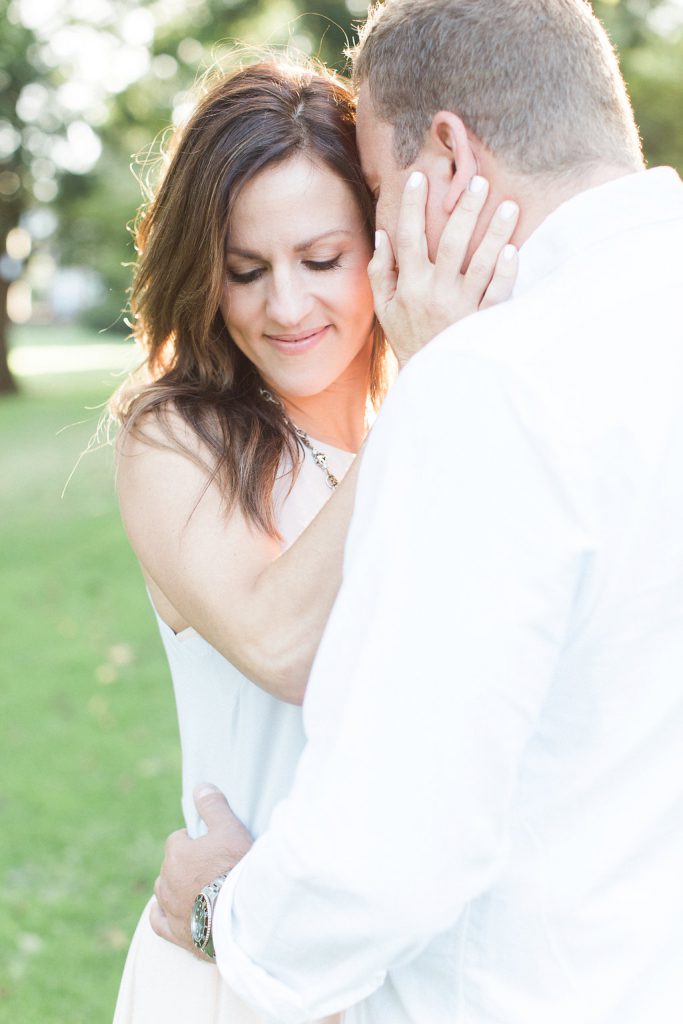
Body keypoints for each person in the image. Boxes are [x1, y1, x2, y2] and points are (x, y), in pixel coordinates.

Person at [152, 1, 683, 1022]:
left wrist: (228, 913)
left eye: (379, 194)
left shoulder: (492, 380)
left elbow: (394, 835)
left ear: (444, 153)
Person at [111, 56, 517, 1023]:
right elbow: (286, 646)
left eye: (321, 261)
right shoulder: (177, 437)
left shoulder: (451, 418)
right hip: (243, 968)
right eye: (245, 272)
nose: (285, 308)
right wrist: (426, 382)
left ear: (383, 243)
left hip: (432, 970)